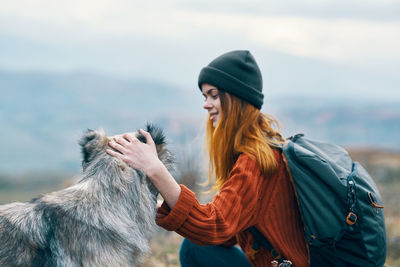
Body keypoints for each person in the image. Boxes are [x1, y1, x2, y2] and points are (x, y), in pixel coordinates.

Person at [107, 50, 309, 267]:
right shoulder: (263, 149)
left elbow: (212, 226)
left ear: (236, 97)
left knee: (194, 248)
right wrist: (157, 207)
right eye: (205, 97)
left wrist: (154, 168)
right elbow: (227, 232)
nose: (205, 104)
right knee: (197, 246)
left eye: (213, 95)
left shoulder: (255, 161)